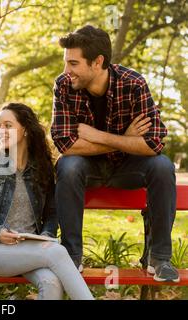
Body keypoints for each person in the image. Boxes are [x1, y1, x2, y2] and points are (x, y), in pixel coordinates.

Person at [51, 25, 179, 282]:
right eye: (66, 62)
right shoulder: (64, 85)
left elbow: (154, 143)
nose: (67, 71)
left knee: (163, 166)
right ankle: (72, 257)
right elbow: (65, 144)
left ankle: (160, 258)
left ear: (98, 62)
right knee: (68, 165)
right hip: (87, 169)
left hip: (127, 170)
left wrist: (98, 136)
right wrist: (126, 138)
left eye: (73, 63)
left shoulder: (133, 83)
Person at [0, 103, 94, 300]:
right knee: (58, 252)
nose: (2, 131)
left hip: (31, 246)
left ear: (25, 129)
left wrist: (45, 235)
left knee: (51, 283)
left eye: (8, 125)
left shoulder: (41, 168)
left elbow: (52, 213)